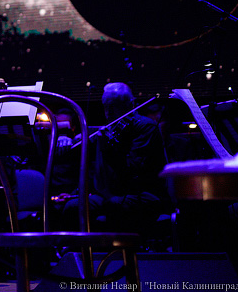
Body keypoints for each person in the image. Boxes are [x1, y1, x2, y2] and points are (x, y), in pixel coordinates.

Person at [60, 82, 169, 234]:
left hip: (143, 194)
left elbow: (134, 170)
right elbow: (95, 170)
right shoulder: (108, 130)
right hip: (109, 194)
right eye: (106, 106)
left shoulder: (145, 127)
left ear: (130, 105)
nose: (109, 112)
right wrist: (65, 138)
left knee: (115, 204)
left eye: (115, 106)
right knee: (73, 206)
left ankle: (120, 247)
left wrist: (110, 149)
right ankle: (80, 247)